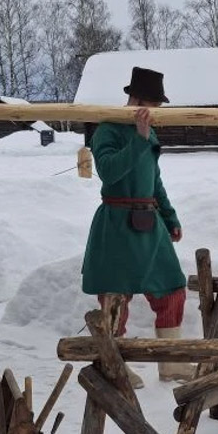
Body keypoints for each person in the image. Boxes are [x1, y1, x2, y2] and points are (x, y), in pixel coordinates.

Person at [81, 66, 192, 387]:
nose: (156, 110)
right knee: (116, 294)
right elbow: (108, 172)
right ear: (138, 100)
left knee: (172, 288)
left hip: (149, 222)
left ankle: (171, 362)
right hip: (116, 223)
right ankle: (114, 363)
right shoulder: (108, 129)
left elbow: (154, 181)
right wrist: (139, 140)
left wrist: (169, 217)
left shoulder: (149, 132)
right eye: (154, 103)